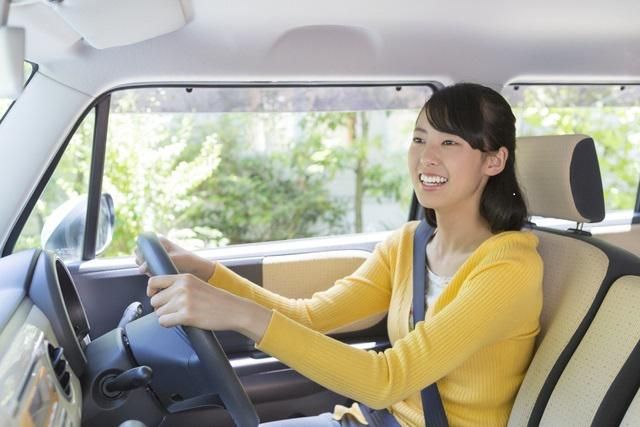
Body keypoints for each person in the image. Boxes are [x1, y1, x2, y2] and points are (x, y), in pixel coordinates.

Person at [135, 83, 543, 426]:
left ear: (494, 161)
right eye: (419, 139)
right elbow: (309, 317)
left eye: (449, 142)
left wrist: (240, 315)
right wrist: (208, 272)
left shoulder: (509, 269)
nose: (426, 157)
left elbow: (387, 380)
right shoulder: (409, 243)